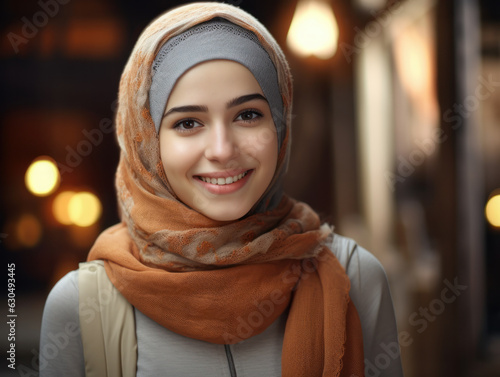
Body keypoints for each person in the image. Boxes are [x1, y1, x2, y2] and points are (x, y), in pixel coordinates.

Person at [39, 2, 404, 376]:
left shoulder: (355, 280)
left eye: (248, 115)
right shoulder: (82, 310)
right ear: (146, 142)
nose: (222, 150)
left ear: (280, 126)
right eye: (188, 123)